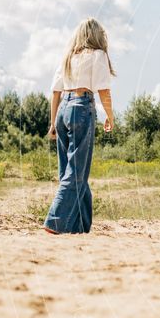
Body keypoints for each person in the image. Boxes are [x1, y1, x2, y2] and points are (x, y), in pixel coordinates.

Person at [43, 18, 115, 234]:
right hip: (81, 107)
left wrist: (53, 122)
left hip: (64, 109)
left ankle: (80, 227)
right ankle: (55, 222)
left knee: (70, 170)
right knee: (76, 172)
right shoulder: (98, 55)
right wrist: (110, 116)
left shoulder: (68, 57)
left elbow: (55, 91)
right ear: (96, 35)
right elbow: (103, 90)